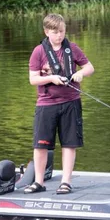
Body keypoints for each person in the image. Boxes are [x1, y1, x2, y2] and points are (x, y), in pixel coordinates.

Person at [25, 13, 94, 194]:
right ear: (47, 32)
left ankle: (66, 182)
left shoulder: (72, 48)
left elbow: (89, 67)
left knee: (69, 143)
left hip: (71, 102)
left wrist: (81, 73)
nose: (59, 35)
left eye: (62, 31)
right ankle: (39, 182)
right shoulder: (38, 52)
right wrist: (51, 78)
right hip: (46, 104)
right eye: (55, 32)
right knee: (40, 145)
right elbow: (33, 79)